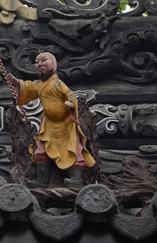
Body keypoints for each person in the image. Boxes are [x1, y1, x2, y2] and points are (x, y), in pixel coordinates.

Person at [9, 52, 95, 186]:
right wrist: (17, 83)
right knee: (41, 149)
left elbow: (69, 94)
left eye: (44, 60)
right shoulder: (39, 84)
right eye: (37, 62)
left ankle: (76, 180)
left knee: (73, 149)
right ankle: (41, 181)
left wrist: (71, 103)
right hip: (48, 124)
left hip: (66, 123)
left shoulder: (57, 83)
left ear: (54, 65)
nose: (40, 64)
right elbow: (29, 87)